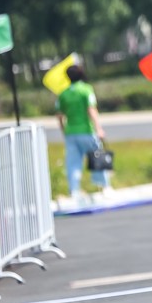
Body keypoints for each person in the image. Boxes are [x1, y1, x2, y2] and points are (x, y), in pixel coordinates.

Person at [56, 64, 110, 201]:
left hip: (71, 132)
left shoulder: (63, 93)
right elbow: (91, 109)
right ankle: (104, 186)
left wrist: (64, 130)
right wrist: (99, 128)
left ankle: (74, 190)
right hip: (87, 130)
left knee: (73, 163)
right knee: (97, 157)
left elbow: (60, 116)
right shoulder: (86, 90)